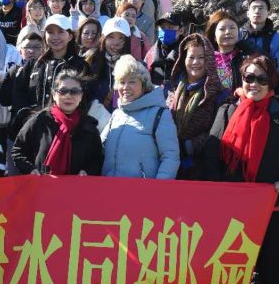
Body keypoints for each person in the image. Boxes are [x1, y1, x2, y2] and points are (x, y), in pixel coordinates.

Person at [202, 54, 279, 284]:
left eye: (261, 79)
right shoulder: (228, 110)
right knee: (228, 265)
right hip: (232, 208)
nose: (254, 84)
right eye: (249, 77)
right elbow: (212, 154)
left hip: (271, 207)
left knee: (269, 266)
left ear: (272, 83)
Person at [100, 56, 180, 179]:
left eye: (132, 81)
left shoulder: (160, 114)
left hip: (142, 194)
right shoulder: (116, 114)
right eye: (122, 82)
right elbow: (100, 148)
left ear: (143, 85)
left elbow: (170, 156)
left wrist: (159, 189)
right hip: (110, 190)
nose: (126, 87)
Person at [12, 69, 103, 176]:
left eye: (74, 91)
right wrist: (30, 169)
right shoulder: (39, 121)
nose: (68, 96)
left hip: (78, 188)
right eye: (63, 91)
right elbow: (18, 151)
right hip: (42, 187)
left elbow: (97, 159)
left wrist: (87, 172)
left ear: (81, 96)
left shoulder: (89, 126)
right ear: (54, 94)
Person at [3, 14, 89, 118]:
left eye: (61, 32)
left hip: (66, 128)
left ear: (70, 36)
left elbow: (84, 100)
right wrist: (27, 117)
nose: (55, 37)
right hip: (33, 127)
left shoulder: (80, 66)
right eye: (50, 32)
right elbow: (19, 93)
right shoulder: (34, 64)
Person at [168, 34, 227, 180]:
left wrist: (189, 145)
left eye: (201, 57)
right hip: (170, 162)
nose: (196, 62)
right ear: (183, 59)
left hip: (201, 168)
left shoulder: (219, 95)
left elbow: (219, 133)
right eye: (191, 57)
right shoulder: (173, 90)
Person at [84, 17, 132, 110]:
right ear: (103, 38)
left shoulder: (134, 67)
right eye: (111, 37)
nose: (115, 43)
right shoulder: (90, 60)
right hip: (95, 120)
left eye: (121, 38)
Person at [239, 0, 279, 74]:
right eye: (254, 8)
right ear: (248, 13)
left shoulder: (277, 38)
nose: (257, 11)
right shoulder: (238, 35)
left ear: (268, 13)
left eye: (261, 8)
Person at [205, 9, 245, 93]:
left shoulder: (246, 58)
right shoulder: (207, 59)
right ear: (214, 37)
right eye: (222, 29)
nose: (228, 32)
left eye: (232, 28)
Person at [145, 11, 189, 86]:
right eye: (162, 27)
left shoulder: (188, 53)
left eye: (170, 27)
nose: (165, 30)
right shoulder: (151, 53)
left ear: (181, 30)